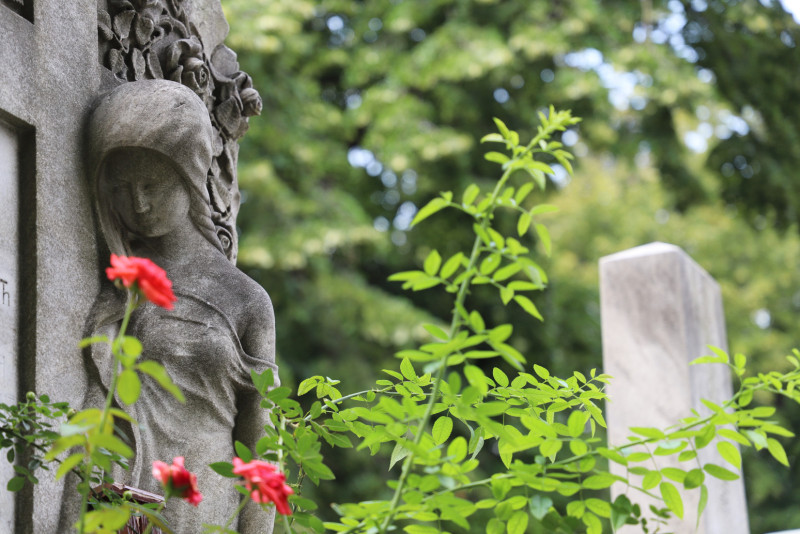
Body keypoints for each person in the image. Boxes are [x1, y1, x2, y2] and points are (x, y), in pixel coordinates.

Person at [82, 79, 277, 533]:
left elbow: (262, 442)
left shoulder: (246, 300)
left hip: (205, 502)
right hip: (122, 497)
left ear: (189, 177)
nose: (138, 203)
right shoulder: (116, 281)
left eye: (152, 184)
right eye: (121, 187)